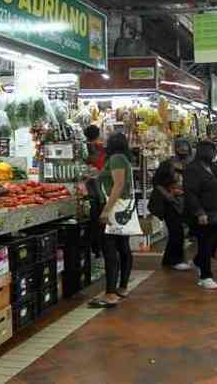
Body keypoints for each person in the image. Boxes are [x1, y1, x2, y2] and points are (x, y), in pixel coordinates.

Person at [90, 132, 135, 308]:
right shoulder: (124, 158)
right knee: (123, 247)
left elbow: (118, 185)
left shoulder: (116, 158)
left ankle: (110, 293)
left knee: (110, 250)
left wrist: (106, 210)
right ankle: (121, 287)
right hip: (121, 208)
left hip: (114, 208)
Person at [184, 141, 217, 290]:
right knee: (205, 242)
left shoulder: (212, 168)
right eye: (213, 151)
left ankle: (198, 261)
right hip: (202, 212)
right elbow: (190, 192)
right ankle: (205, 276)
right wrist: (199, 212)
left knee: (216, 240)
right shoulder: (192, 169)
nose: (215, 155)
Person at [149, 160, 191, 271]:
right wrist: (169, 194)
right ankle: (175, 260)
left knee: (177, 232)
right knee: (177, 232)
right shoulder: (167, 165)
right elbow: (157, 184)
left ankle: (168, 259)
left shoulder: (183, 166)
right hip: (168, 204)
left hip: (178, 203)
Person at [84, 125, 106, 258]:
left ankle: (93, 249)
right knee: (98, 222)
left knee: (92, 222)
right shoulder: (101, 149)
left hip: (88, 190)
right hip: (99, 190)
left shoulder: (84, 149)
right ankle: (98, 249)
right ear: (98, 135)